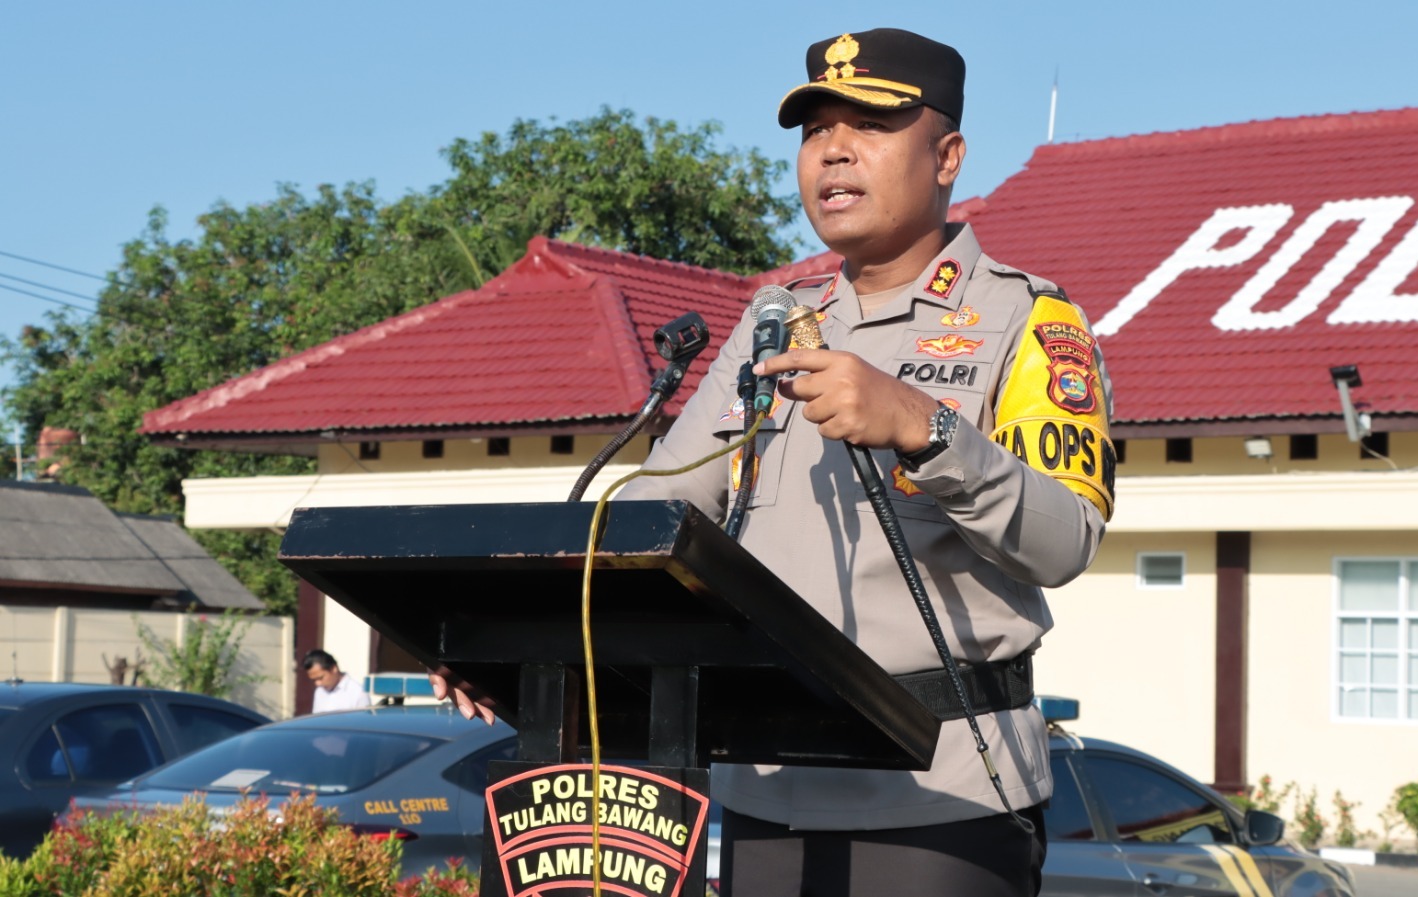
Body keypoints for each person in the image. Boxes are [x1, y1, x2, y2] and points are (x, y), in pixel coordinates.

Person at [433, 27, 1113, 897]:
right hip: (765, 790)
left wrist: (924, 424)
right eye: (815, 129)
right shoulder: (773, 323)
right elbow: (655, 523)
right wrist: (506, 631)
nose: (834, 150)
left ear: (947, 156)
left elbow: (1064, 539)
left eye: (870, 124)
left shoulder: (1025, 320)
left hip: (942, 802)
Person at [301, 649, 371, 713]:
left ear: (334, 668)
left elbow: (364, 721)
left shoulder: (358, 692)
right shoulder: (319, 691)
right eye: (314, 680)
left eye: (320, 678)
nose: (317, 683)